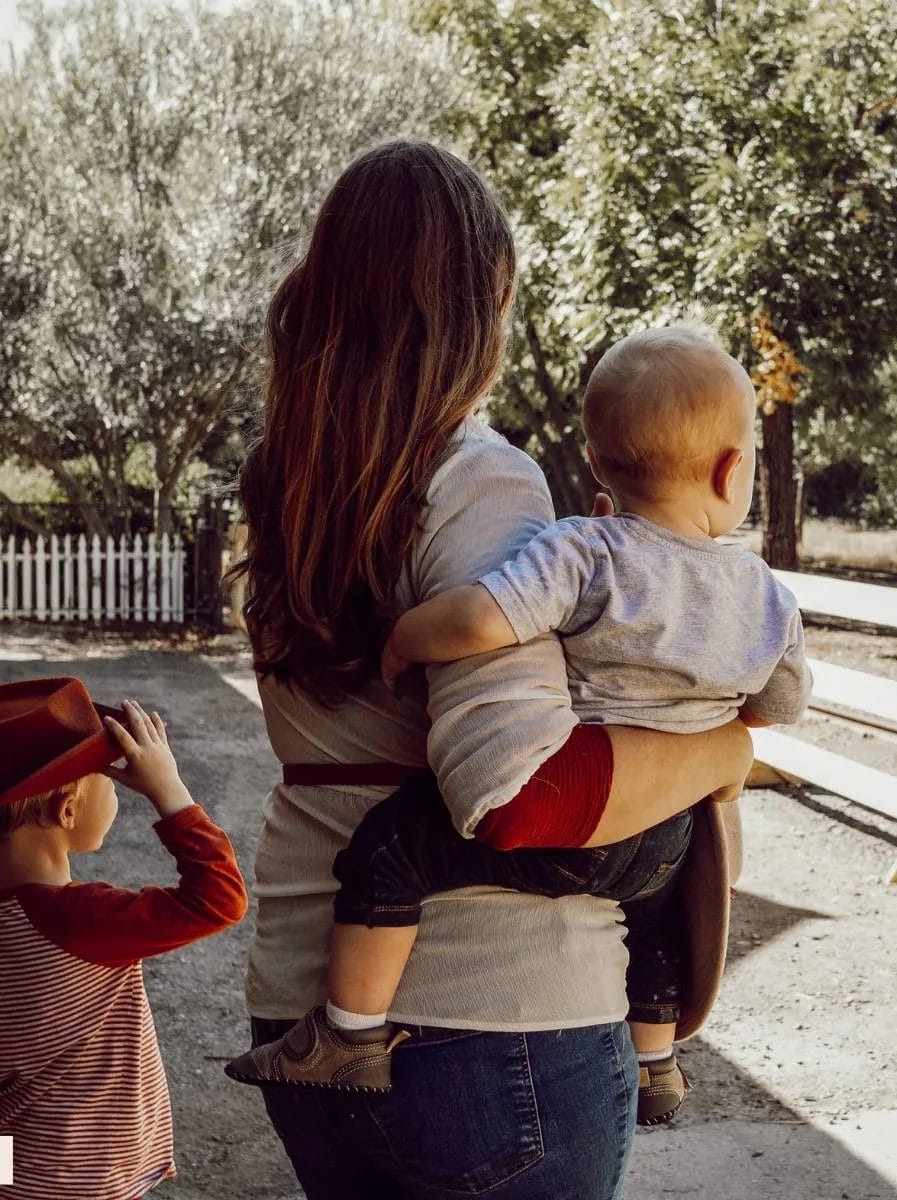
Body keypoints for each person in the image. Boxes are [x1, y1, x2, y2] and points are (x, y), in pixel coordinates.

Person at [234, 140, 756, 1199]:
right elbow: (510, 786)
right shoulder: (480, 480)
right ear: (485, 300)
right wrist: (724, 746)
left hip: (306, 988)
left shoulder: (290, 484)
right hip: (493, 1017)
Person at [230, 327, 810, 1127]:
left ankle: (350, 1033)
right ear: (731, 469)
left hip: (577, 823)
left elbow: (484, 618)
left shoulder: (587, 551)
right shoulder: (768, 594)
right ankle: (656, 1062)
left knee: (392, 853)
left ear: (599, 463)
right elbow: (778, 704)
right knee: (651, 925)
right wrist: (710, 723)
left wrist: (407, 638)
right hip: (675, 834)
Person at [0, 678, 248, 1200]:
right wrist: (170, 791)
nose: (120, 791)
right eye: (110, 782)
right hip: (79, 1179)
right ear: (67, 811)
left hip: (15, 1170)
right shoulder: (80, 916)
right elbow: (221, 899)